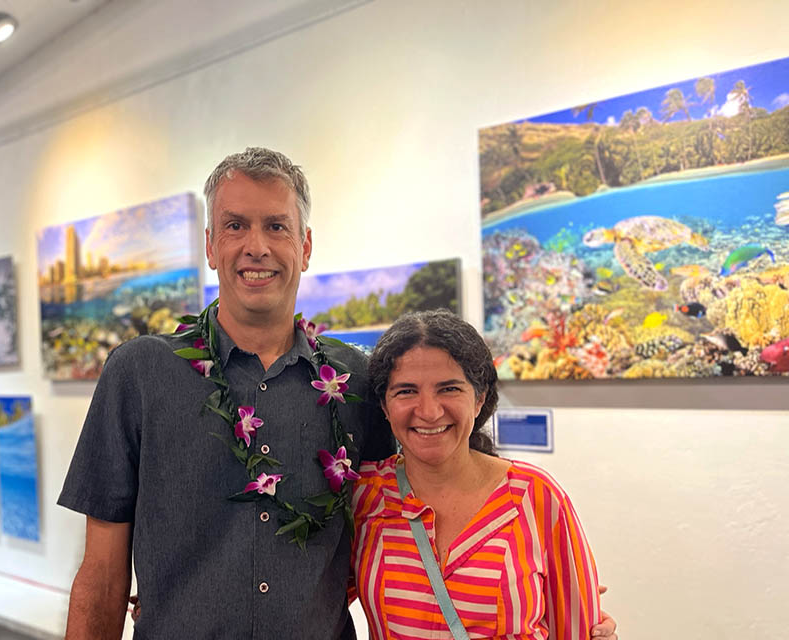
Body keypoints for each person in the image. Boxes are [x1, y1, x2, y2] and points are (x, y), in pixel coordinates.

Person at [60, 147, 617, 639]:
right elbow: (102, 575)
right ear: (210, 245)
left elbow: (410, 504)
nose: (256, 246)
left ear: (305, 246)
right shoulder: (139, 374)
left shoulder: (358, 383)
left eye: (276, 227)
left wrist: (546, 589)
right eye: (235, 226)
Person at [353, 309, 609, 639]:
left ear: (479, 399)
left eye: (449, 389)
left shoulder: (536, 497)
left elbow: (578, 627)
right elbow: (315, 601)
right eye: (406, 391)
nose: (429, 411)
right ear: (385, 407)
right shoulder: (365, 495)